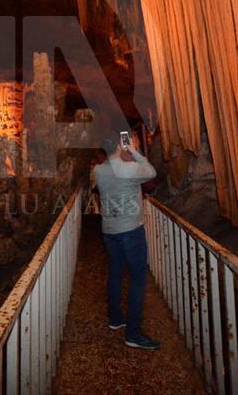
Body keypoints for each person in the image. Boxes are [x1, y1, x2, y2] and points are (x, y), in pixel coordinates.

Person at [93, 134, 161, 350]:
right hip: (130, 231)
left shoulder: (99, 170)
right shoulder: (127, 169)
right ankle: (133, 333)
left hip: (109, 231)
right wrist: (134, 151)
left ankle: (115, 319)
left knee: (115, 273)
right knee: (138, 280)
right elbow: (151, 171)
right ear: (120, 146)